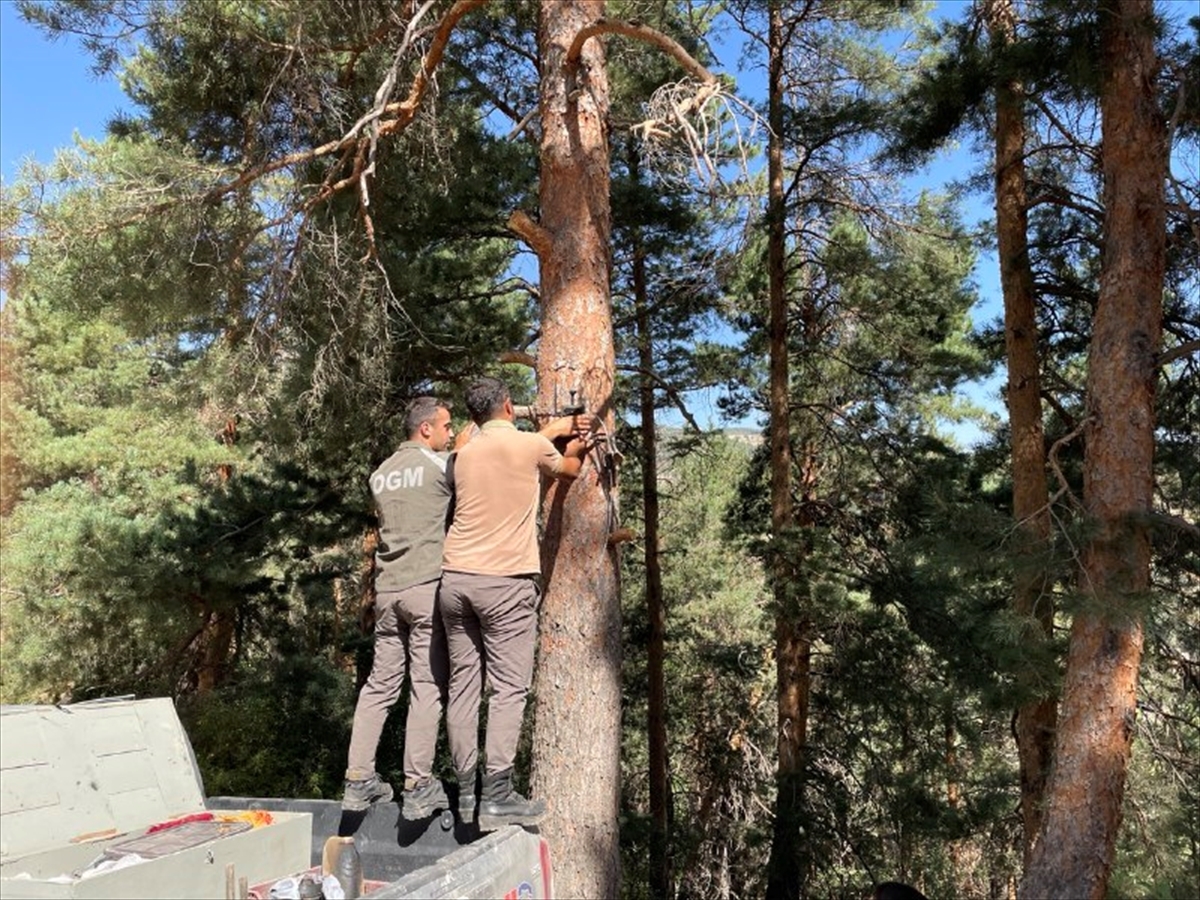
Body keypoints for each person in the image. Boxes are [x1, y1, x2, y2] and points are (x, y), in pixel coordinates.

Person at [438, 376, 592, 830]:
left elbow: (511, 447)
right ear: (508, 404)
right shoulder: (529, 449)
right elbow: (567, 469)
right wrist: (577, 440)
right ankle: (499, 794)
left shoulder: (461, 454)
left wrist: (551, 427)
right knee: (508, 688)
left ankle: (466, 791)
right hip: (504, 582)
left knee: (464, 685)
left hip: (454, 582)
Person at [342, 397, 455, 819]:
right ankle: (418, 784)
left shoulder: (381, 473)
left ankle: (358, 779)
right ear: (425, 429)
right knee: (426, 687)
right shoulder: (440, 466)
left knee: (378, 687)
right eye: (445, 426)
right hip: (426, 586)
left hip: (388, 592)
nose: (448, 433)